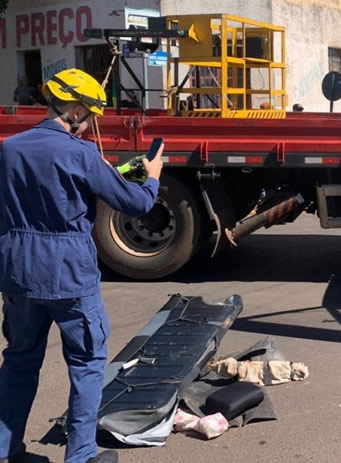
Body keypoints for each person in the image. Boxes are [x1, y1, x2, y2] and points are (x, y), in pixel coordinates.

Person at [0, 69, 164, 463]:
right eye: (91, 115)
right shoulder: (81, 153)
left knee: (19, 360)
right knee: (87, 364)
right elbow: (136, 204)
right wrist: (152, 177)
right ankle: (81, 456)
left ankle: (5, 451)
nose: (91, 125)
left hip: (17, 270)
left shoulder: (10, 148)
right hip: (68, 273)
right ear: (75, 110)